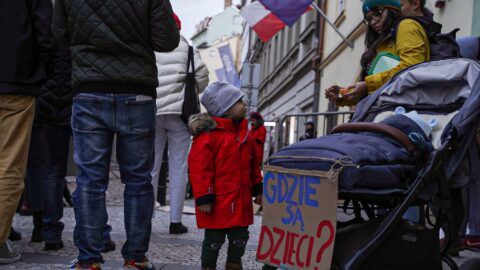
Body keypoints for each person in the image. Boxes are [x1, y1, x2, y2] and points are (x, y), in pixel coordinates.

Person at [52, 0, 180, 269]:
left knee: (89, 181)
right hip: (137, 91)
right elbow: (166, 41)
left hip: (88, 89)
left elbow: (59, 35)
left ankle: (89, 260)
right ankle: (135, 257)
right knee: (138, 181)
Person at [36, 43, 116, 252]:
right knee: (89, 171)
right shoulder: (82, 25)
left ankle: (50, 235)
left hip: (50, 105)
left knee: (53, 171)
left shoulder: (49, 28)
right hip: (80, 103)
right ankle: (96, 233)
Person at [0, 0, 54, 264]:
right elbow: (46, 32)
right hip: (16, 80)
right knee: (9, 165)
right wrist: (43, 70)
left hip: (17, 79)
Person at [188, 81, 263, 270]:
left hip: (242, 199)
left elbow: (254, 165)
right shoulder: (209, 135)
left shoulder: (246, 134)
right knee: (213, 240)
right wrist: (204, 196)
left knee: (240, 237)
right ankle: (208, 266)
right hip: (218, 201)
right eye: (239, 102)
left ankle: (234, 262)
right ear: (226, 110)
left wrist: (258, 187)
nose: (244, 104)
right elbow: (199, 167)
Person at [150, 14, 209, 234]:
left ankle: (145, 218)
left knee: (151, 168)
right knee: (178, 168)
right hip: (181, 114)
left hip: (153, 112)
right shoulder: (189, 50)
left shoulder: (150, 47)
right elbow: (202, 80)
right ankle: (175, 221)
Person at [325, 0, 430, 106]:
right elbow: (376, 89)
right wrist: (345, 95)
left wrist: (367, 84)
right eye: (369, 19)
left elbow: (411, 68)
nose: (373, 22)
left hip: (406, 107)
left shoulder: (406, 26)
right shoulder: (379, 43)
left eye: (377, 13)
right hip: (387, 107)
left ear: (391, 10)